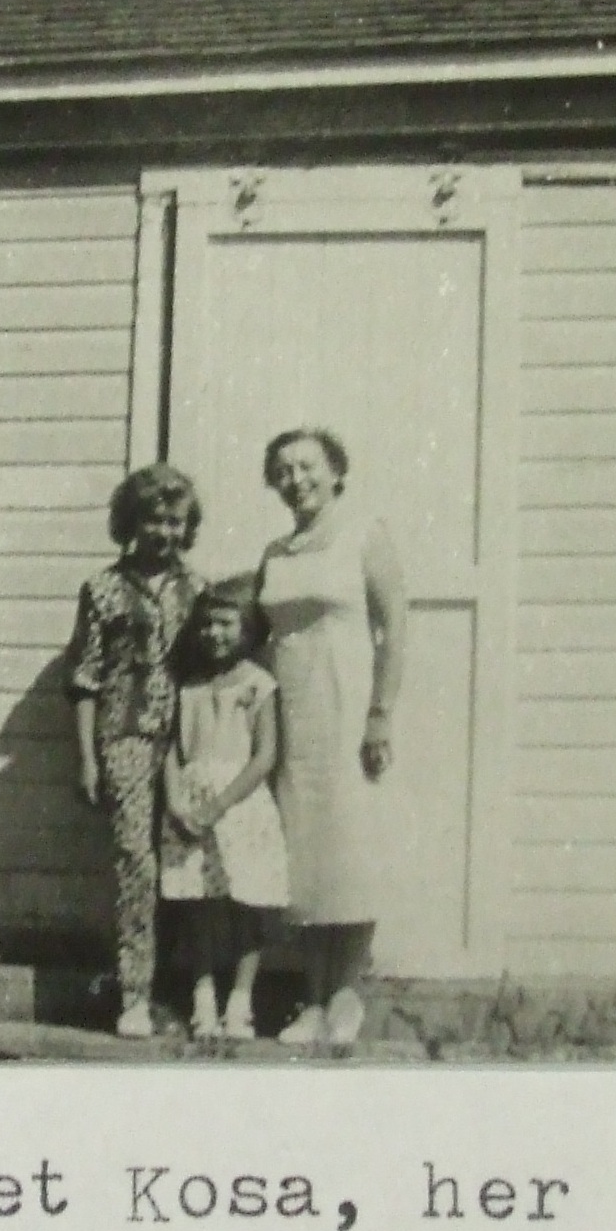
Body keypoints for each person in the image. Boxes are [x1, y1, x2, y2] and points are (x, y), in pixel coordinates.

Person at [256, 426, 408, 1049]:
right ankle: (311, 1000)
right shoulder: (277, 551)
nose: (298, 479)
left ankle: (345, 994)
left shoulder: (364, 532)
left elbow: (395, 626)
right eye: (285, 470)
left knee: (350, 843)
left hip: (346, 702)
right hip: (292, 708)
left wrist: (381, 713)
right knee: (305, 850)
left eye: (308, 466)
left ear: (336, 471)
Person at [67, 464, 204, 1039]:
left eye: (176, 522)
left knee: (188, 862)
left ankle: (190, 991)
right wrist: (87, 758)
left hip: (189, 738)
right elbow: (84, 678)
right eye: (154, 519)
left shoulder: (196, 588)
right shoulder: (101, 589)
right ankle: (133, 994)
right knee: (135, 861)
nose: (165, 532)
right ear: (131, 522)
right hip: (124, 736)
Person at [159, 577, 290, 1040]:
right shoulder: (187, 686)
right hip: (190, 807)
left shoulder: (258, 685)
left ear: (248, 628)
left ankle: (240, 1000)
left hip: (240, 806)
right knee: (197, 904)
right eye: (206, 624)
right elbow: (173, 751)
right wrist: (177, 802)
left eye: (225, 623)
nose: (214, 633)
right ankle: (202, 997)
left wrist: (220, 804)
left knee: (247, 903)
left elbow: (265, 757)